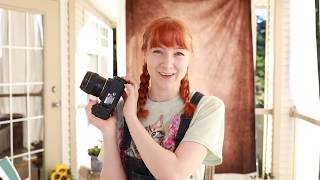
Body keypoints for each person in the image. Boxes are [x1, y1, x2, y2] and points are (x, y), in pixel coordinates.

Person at [86, 17, 225, 180]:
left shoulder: (207, 108)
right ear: (145, 54)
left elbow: (175, 175)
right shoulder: (123, 107)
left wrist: (131, 118)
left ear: (190, 58)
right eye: (158, 51)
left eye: (179, 53)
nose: (167, 64)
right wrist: (108, 131)